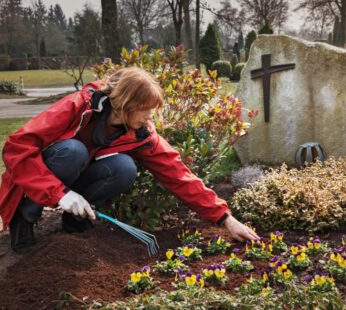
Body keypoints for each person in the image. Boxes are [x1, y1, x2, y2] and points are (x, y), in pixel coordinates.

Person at [0, 67, 259, 254]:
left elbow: (177, 173)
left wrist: (224, 218)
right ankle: (25, 217)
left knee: (124, 169)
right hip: (46, 173)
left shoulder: (141, 132)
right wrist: (58, 193)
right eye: (144, 108)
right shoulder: (78, 106)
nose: (148, 117)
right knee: (73, 152)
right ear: (124, 103)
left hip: (76, 179)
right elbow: (17, 147)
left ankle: (76, 219)